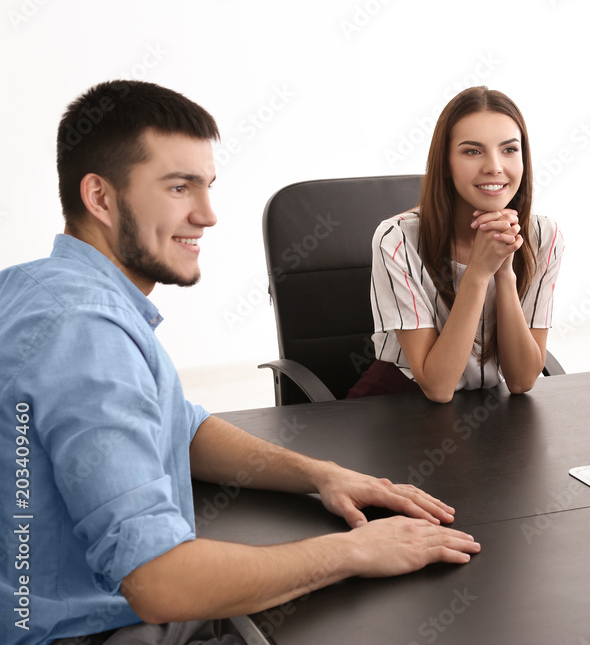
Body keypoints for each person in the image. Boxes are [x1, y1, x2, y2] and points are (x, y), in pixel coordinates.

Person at [0, 80, 479, 645]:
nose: (207, 214)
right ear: (100, 198)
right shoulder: (88, 334)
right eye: (179, 187)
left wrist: (322, 475)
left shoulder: (36, 288)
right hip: (89, 631)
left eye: (207, 187)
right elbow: (160, 582)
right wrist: (352, 551)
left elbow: (180, 428)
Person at [349, 86, 563, 403]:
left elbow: (521, 381)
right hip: (399, 404)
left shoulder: (543, 236)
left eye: (509, 149)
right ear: (445, 164)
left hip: (486, 407)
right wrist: (478, 272)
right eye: (472, 151)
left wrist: (504, 273)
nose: (494, 167)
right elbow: (437, 387)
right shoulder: (396, 240)